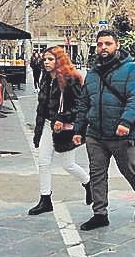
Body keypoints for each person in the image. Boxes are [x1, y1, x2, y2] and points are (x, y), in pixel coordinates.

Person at [74, 30, 135, 231]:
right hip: (95, 134)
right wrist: (78, 129)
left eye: (108, 43)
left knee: (129, 170)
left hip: (121, 133)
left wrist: (125, 122)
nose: (103, 48)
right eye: (100, 44)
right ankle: (100, 213)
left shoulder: (131, 70)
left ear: (117, 45)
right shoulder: (92, 73)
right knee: (97, 173)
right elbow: (84, 103)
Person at [28, 46, 92, 215]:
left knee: (68, 165)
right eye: (45, 59)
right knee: (43, 162)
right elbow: (41, 107)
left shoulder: (70, 79)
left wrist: (62, 118)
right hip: (48, 126)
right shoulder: (45, 78)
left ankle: (88, 183)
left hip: (65, 128)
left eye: (50, 59)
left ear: (59, 60)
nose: (46, 62)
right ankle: (45, 199)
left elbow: (80, 106)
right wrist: (38, 130)